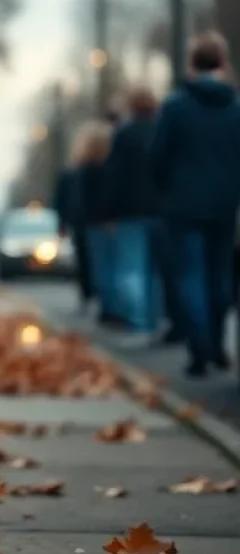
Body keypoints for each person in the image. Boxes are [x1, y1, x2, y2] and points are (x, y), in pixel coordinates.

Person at [150, 31, 240, 377]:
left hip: (183, 204)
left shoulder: (176, 108)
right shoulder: (233, 107)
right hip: (225, 204)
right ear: (223, 62)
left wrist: (169, 188)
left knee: (191, 276)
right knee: (220, 276)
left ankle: (200, 346)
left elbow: (158, 157)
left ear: (191, 64)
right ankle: (216, 345)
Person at [102, 86, 163, 341]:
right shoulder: (160, 129)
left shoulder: (124, 134)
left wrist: (110, 212)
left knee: (131, 268)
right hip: (159, 209)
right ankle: (153, 319)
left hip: (129, 211)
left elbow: (114, 177)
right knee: (154, 270)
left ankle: (137, 320)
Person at [74, 119, 120, 326]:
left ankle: (108, 308)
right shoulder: (111, 167)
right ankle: (114, 308)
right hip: (110, 221)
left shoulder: (86, 168)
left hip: (95, 222)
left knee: (103, 267)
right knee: (115, 266)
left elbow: (84, 200)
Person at [53, 158, 92, 312]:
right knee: (85, 258)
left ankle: (88, 293)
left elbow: (60, 200)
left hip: (83, 220)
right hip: (84, 221)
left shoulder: (73, 173)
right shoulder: (72, 174)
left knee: (85, 258)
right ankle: (88, 292)